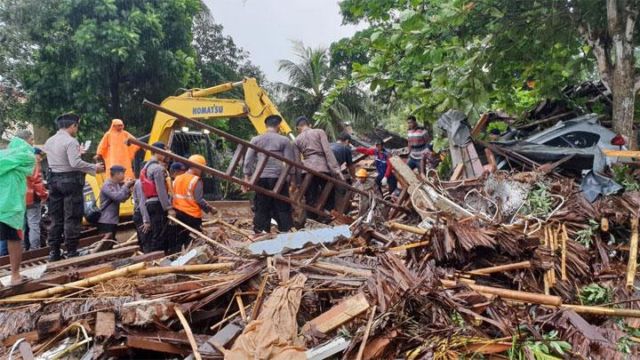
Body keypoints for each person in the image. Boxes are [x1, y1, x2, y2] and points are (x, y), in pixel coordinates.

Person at [44, 114, 104, 260]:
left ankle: (54, 252)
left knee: (56, 217)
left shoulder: (49, 141)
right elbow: (75, 163)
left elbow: (60, 159)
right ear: (73, 126)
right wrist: (94, 167)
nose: (76, 130)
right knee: (72, 216)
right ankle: (72, 250)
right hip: (70, 182)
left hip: (54, 182)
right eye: (77, 127)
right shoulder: (71, 141)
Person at [243, 115, 296, 235]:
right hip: (279, 178)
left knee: (261, 206)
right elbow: (289, 162)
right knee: (282, 206)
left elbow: (248, 160)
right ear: (278, 126)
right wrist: (292, 179)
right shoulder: (284, 140)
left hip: (261, 177)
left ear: (266, 126)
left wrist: (247, 176)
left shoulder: (256, 140)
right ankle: (286, 232)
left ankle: (260, 232)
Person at [0, 132, 35, 285]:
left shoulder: (4, 157)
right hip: (11, 207)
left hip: (5, 205)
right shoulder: (25, 156)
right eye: (31, 140)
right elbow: (31, 166)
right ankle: (15, 276)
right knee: (14, 240)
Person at [294, 116, 343, 218]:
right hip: (322, 168)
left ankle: (312, 221)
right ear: (309, 124)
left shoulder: (297, 140)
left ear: (298, 128)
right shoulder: (319, 132)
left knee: (310, 198)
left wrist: (298, 181)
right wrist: (336, 169)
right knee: (329, 194)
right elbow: (328, 151)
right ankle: (328, 217)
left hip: (306, 170)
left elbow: (297, 162)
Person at [172, 155, 215, 249]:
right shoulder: (196, 180)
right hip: (192, 216)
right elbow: (198, 199)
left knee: (180, 239)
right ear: (198, 167)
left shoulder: (177, 178)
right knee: (194, 241)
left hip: (178, 214)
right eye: (201, 168)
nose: (202, 171)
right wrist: (210, 209)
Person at [140, 142, 174, 253]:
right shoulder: (157, 169)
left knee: (156, 232)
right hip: (157, 204)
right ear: (158, 152)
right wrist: (168, 208)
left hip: (150, 203)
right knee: (160, 234)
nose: (165, 155)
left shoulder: (145, 167)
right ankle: (156, 258)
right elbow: (161, 191)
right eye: (164, 152)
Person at [97, 165, 134, 240]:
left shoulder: (116, 184)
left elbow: (122, 199)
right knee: (107, 243)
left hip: (113, 219)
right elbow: (118, 197)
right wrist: (126, 186)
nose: (124, 175)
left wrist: (129, 191)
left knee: (111, 241)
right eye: (122, 173)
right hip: (106, 220)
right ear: (117, 174)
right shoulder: (107, 185)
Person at [25, 146, 48, 250]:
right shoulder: (33, 164)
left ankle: (22, 248)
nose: (40, 158)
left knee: (21, 225)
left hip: (20, 198)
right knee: (34, 223)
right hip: (32, 197)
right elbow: (37, 182)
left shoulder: (20, 162)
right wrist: (44, 195)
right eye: (39, 155)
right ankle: (35, 248)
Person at [132, 177, 151, 252]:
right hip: (141, 214)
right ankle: (147, 259)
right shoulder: (141, 183)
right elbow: (142, 202)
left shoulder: (140, 182)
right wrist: (146, 220)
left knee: (143, 240)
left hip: (141, 213)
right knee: (146, 240)